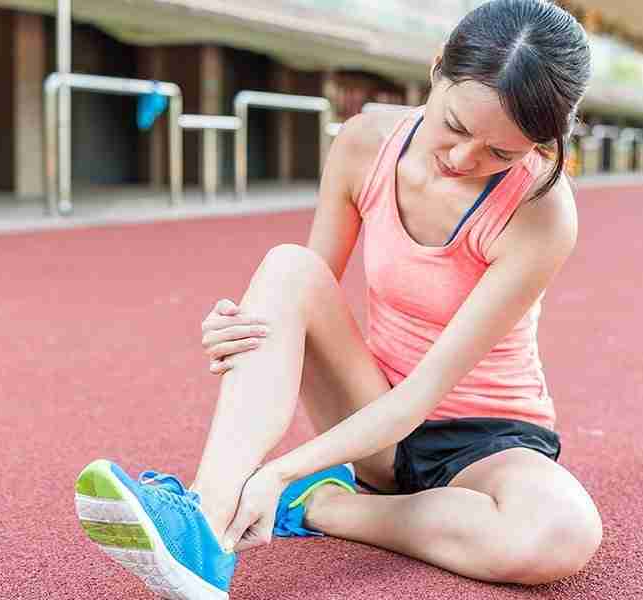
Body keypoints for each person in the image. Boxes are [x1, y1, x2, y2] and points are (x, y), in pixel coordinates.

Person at [73, 1, 600, 597]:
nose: (462, 159)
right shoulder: (364, 143)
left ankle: (322, 506)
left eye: (501, 153)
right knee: (287, 267)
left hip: (487, 441)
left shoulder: (542, 212)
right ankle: (206, 525)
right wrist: (244, 329)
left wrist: (281, 473)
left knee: (561, 533)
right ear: (436, 68)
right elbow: (302, 297)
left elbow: (421, 398)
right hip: (372, 415)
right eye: (454, 126)